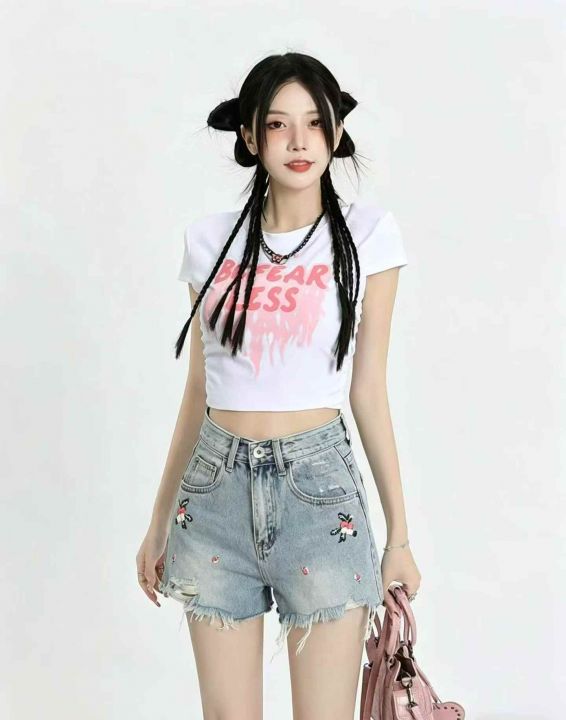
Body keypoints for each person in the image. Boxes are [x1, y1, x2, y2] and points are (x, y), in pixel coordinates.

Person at [136, 51, 421, 720]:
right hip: (213, 497)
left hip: (320, 499)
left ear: (335, 133)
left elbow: (368, 390)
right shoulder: (209, 242)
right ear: (249, 136)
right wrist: (158, 521)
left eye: (315, 123)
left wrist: (399, 535)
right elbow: (200, 390)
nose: (299, 142)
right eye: (277, 125)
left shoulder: (368, 236)